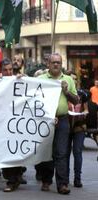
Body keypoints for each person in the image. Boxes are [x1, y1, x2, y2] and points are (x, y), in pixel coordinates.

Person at [36, 53, 78, 195]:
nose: (55, 65)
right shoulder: (40, 79)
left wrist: (66, 92)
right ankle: (46, 180)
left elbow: (76, 100)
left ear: (62, 64)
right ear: (48, 64)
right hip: (45, 120)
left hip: (63, 119)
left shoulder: (68, 80)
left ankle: (62, 184)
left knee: (61, 152)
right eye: (53, 62)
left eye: (58, 63)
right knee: (46, 151)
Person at [0, 58, 27, 192]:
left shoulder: (19, 79)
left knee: (16, 150)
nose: (8, 72)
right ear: (1, 71)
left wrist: (25, 79)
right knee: (6, 151)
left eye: (10, 69)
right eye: (5, 70)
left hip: (17, 123)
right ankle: (12, 178)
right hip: (3, 123)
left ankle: (14, 179)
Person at [67, 72, 89, 188]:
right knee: (64, 154)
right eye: (71, 79)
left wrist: (83, 114)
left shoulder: (82, 94)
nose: (73, 81)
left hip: (79, 127)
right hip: (65, 126)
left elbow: (86, 110)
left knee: (77, 152)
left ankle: (77, 179)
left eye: (75, 79)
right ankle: (64, 178)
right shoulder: (63, 94)